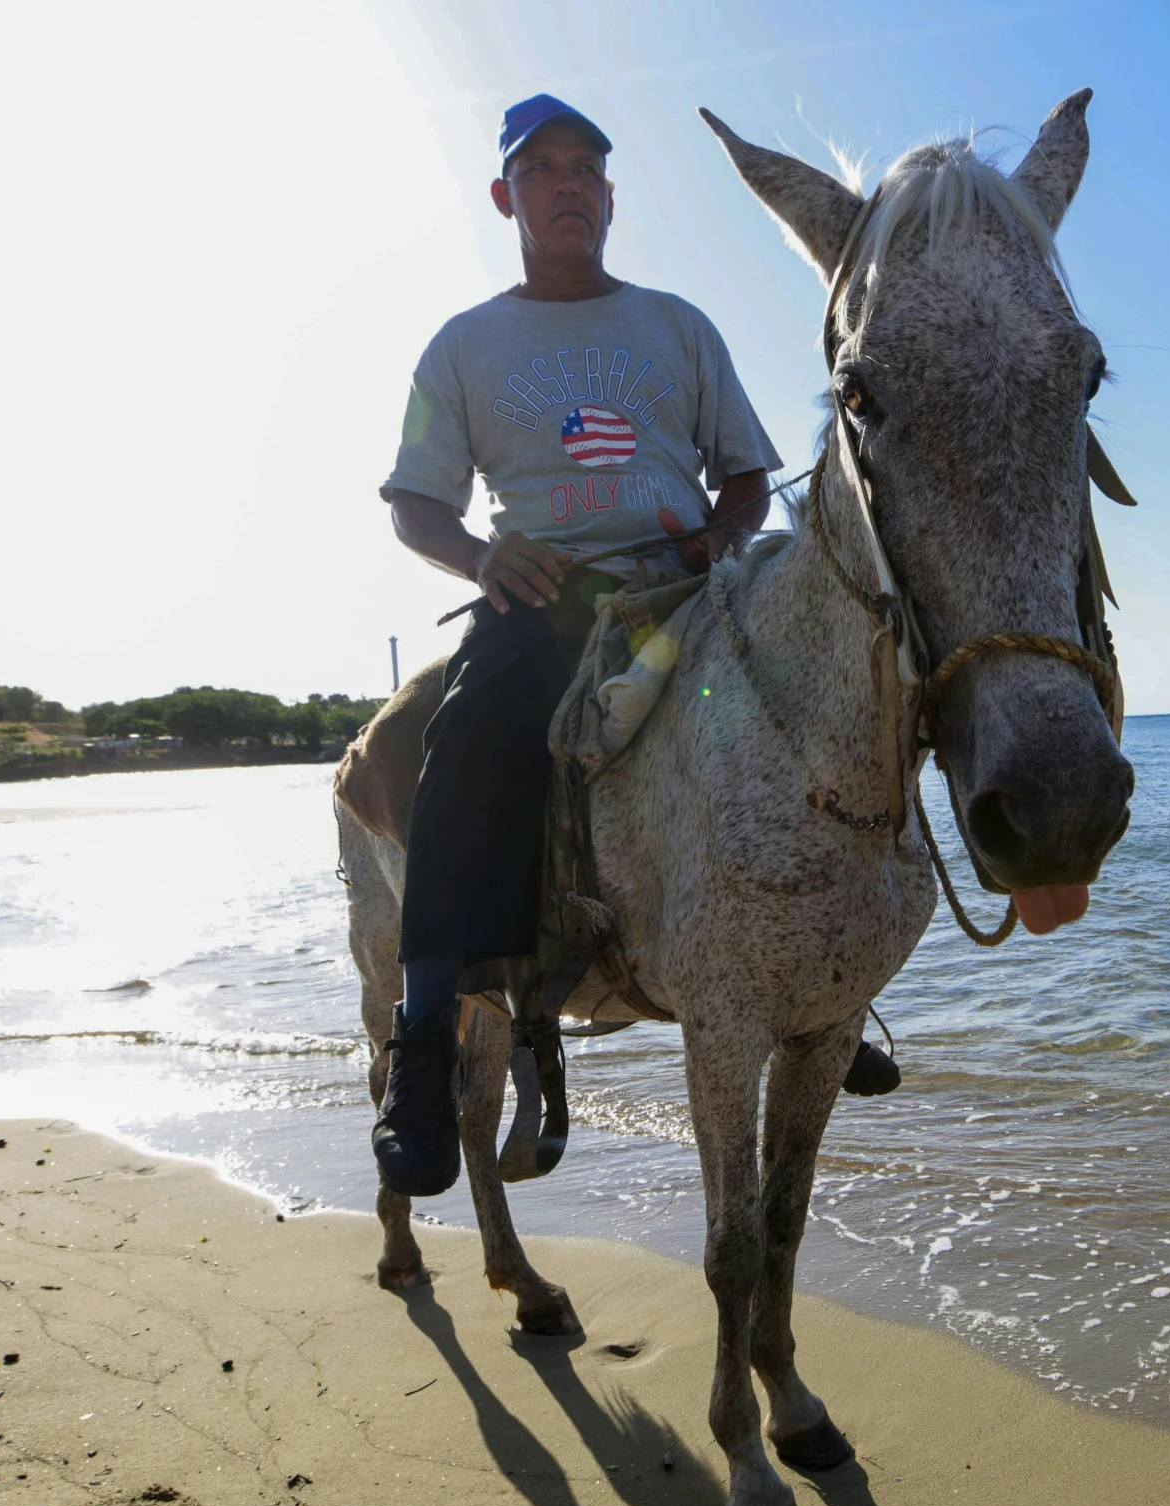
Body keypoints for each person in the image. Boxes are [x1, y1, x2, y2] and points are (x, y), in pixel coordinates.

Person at [374, 95, 895, 1200]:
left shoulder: (677, 325)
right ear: (505, 195)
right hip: (545, 600)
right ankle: (419, 1054)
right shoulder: (463, 345)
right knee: (462, 755)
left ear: (609, 198)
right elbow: (415, 507)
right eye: (543, 168)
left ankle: (836, 985)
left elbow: (745, 476)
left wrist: (719, 533)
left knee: (831, 712)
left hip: (687, 590)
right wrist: (481, 562)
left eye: (586, 170)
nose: (567, 184)